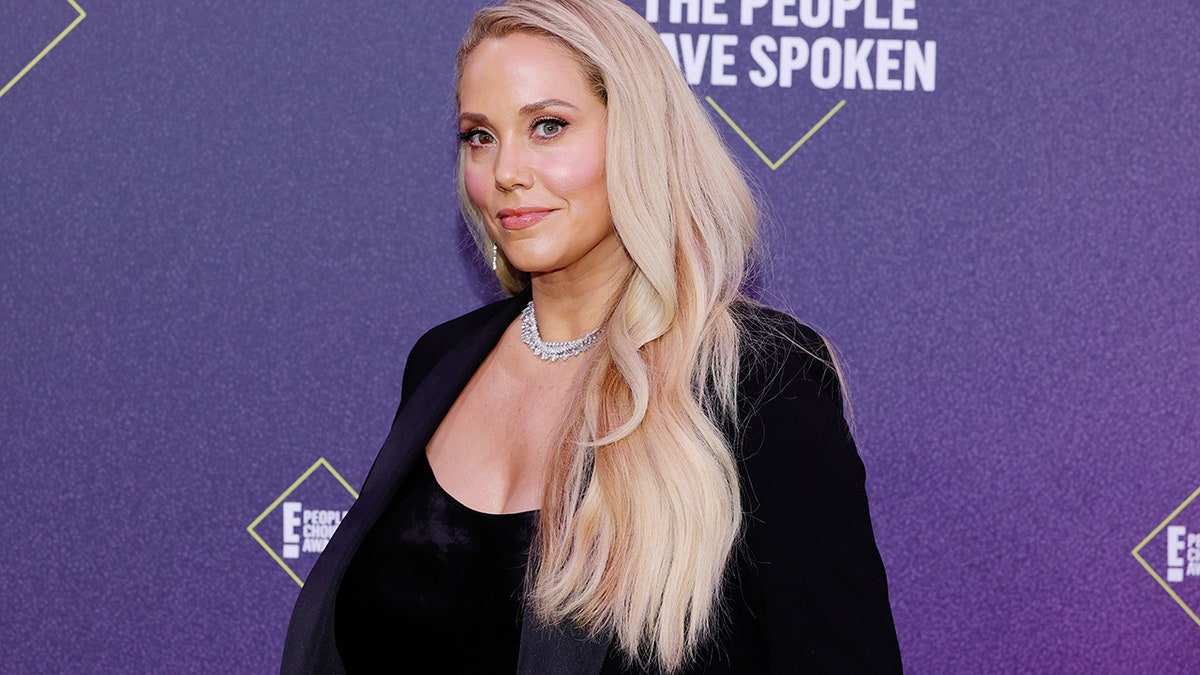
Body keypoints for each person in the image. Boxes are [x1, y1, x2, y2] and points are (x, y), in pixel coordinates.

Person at [281, 0, 901, 672]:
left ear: (636, 135)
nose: (506, 171)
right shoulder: (441, 362)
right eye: (478, 135)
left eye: (548, 126)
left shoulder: (753, 378)